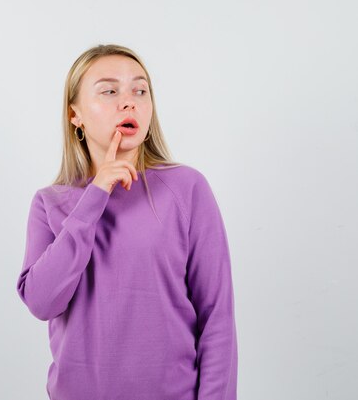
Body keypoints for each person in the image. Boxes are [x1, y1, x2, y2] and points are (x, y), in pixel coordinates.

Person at [15, 44, 238, 400]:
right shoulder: (50, 203)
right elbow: (42, 302)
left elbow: (218, 319)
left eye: (140, 90)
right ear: (75, 115)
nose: (129, 101)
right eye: (109, 90)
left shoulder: (186, 188)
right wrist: (96, 194)